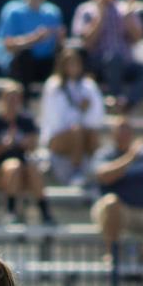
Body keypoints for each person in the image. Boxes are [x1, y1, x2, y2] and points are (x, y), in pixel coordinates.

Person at [71, 0, 143, 110]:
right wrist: (101, 14)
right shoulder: (85, 10)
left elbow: (138, 38)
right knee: (113, 58)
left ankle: (127, 103)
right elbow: (87, 43)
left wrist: (128, 16)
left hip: (125, 63)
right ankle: (114, 98)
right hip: (97, 64)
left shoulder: (124, 8)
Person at [92, 115, 143, 262]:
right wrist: (130, 157)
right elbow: (104, 175)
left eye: (127, 129)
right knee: (111, 202)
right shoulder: (105, 154)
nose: (125, 132)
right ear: (112, 133)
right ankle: (113, 253)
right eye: (120, 129)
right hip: (118, 212)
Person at [0, 82, 52, 224]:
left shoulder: (26, 121)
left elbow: (33, 146)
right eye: (9, 98)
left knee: (32, 168)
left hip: (23, 169)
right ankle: (11, 210)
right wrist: (7, 145)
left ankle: (45, 212)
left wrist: (21, 143)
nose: (12, 102)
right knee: (13, 166)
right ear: (2, 99)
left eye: (15, 98)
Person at [0, 0, 65, 101]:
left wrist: (59, 41)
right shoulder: (12, 11)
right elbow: (8, 45)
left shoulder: (53, 12)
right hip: (21, 67)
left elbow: (58, 47)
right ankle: (23, 107)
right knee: (25, 57)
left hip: (45, 65)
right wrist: (33, 39)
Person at [38, 46, 104, 184]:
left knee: (92, 135)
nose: (72, 67)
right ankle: (76, 172)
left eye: (75, 63)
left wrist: (85, 113)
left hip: (83, 134)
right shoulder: (53, 86)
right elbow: (53, 120)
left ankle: (97, 173)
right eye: (69, 63)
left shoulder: (89, 86)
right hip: (56, 138)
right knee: (76, 132)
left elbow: (97, 117)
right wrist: (79, 112)